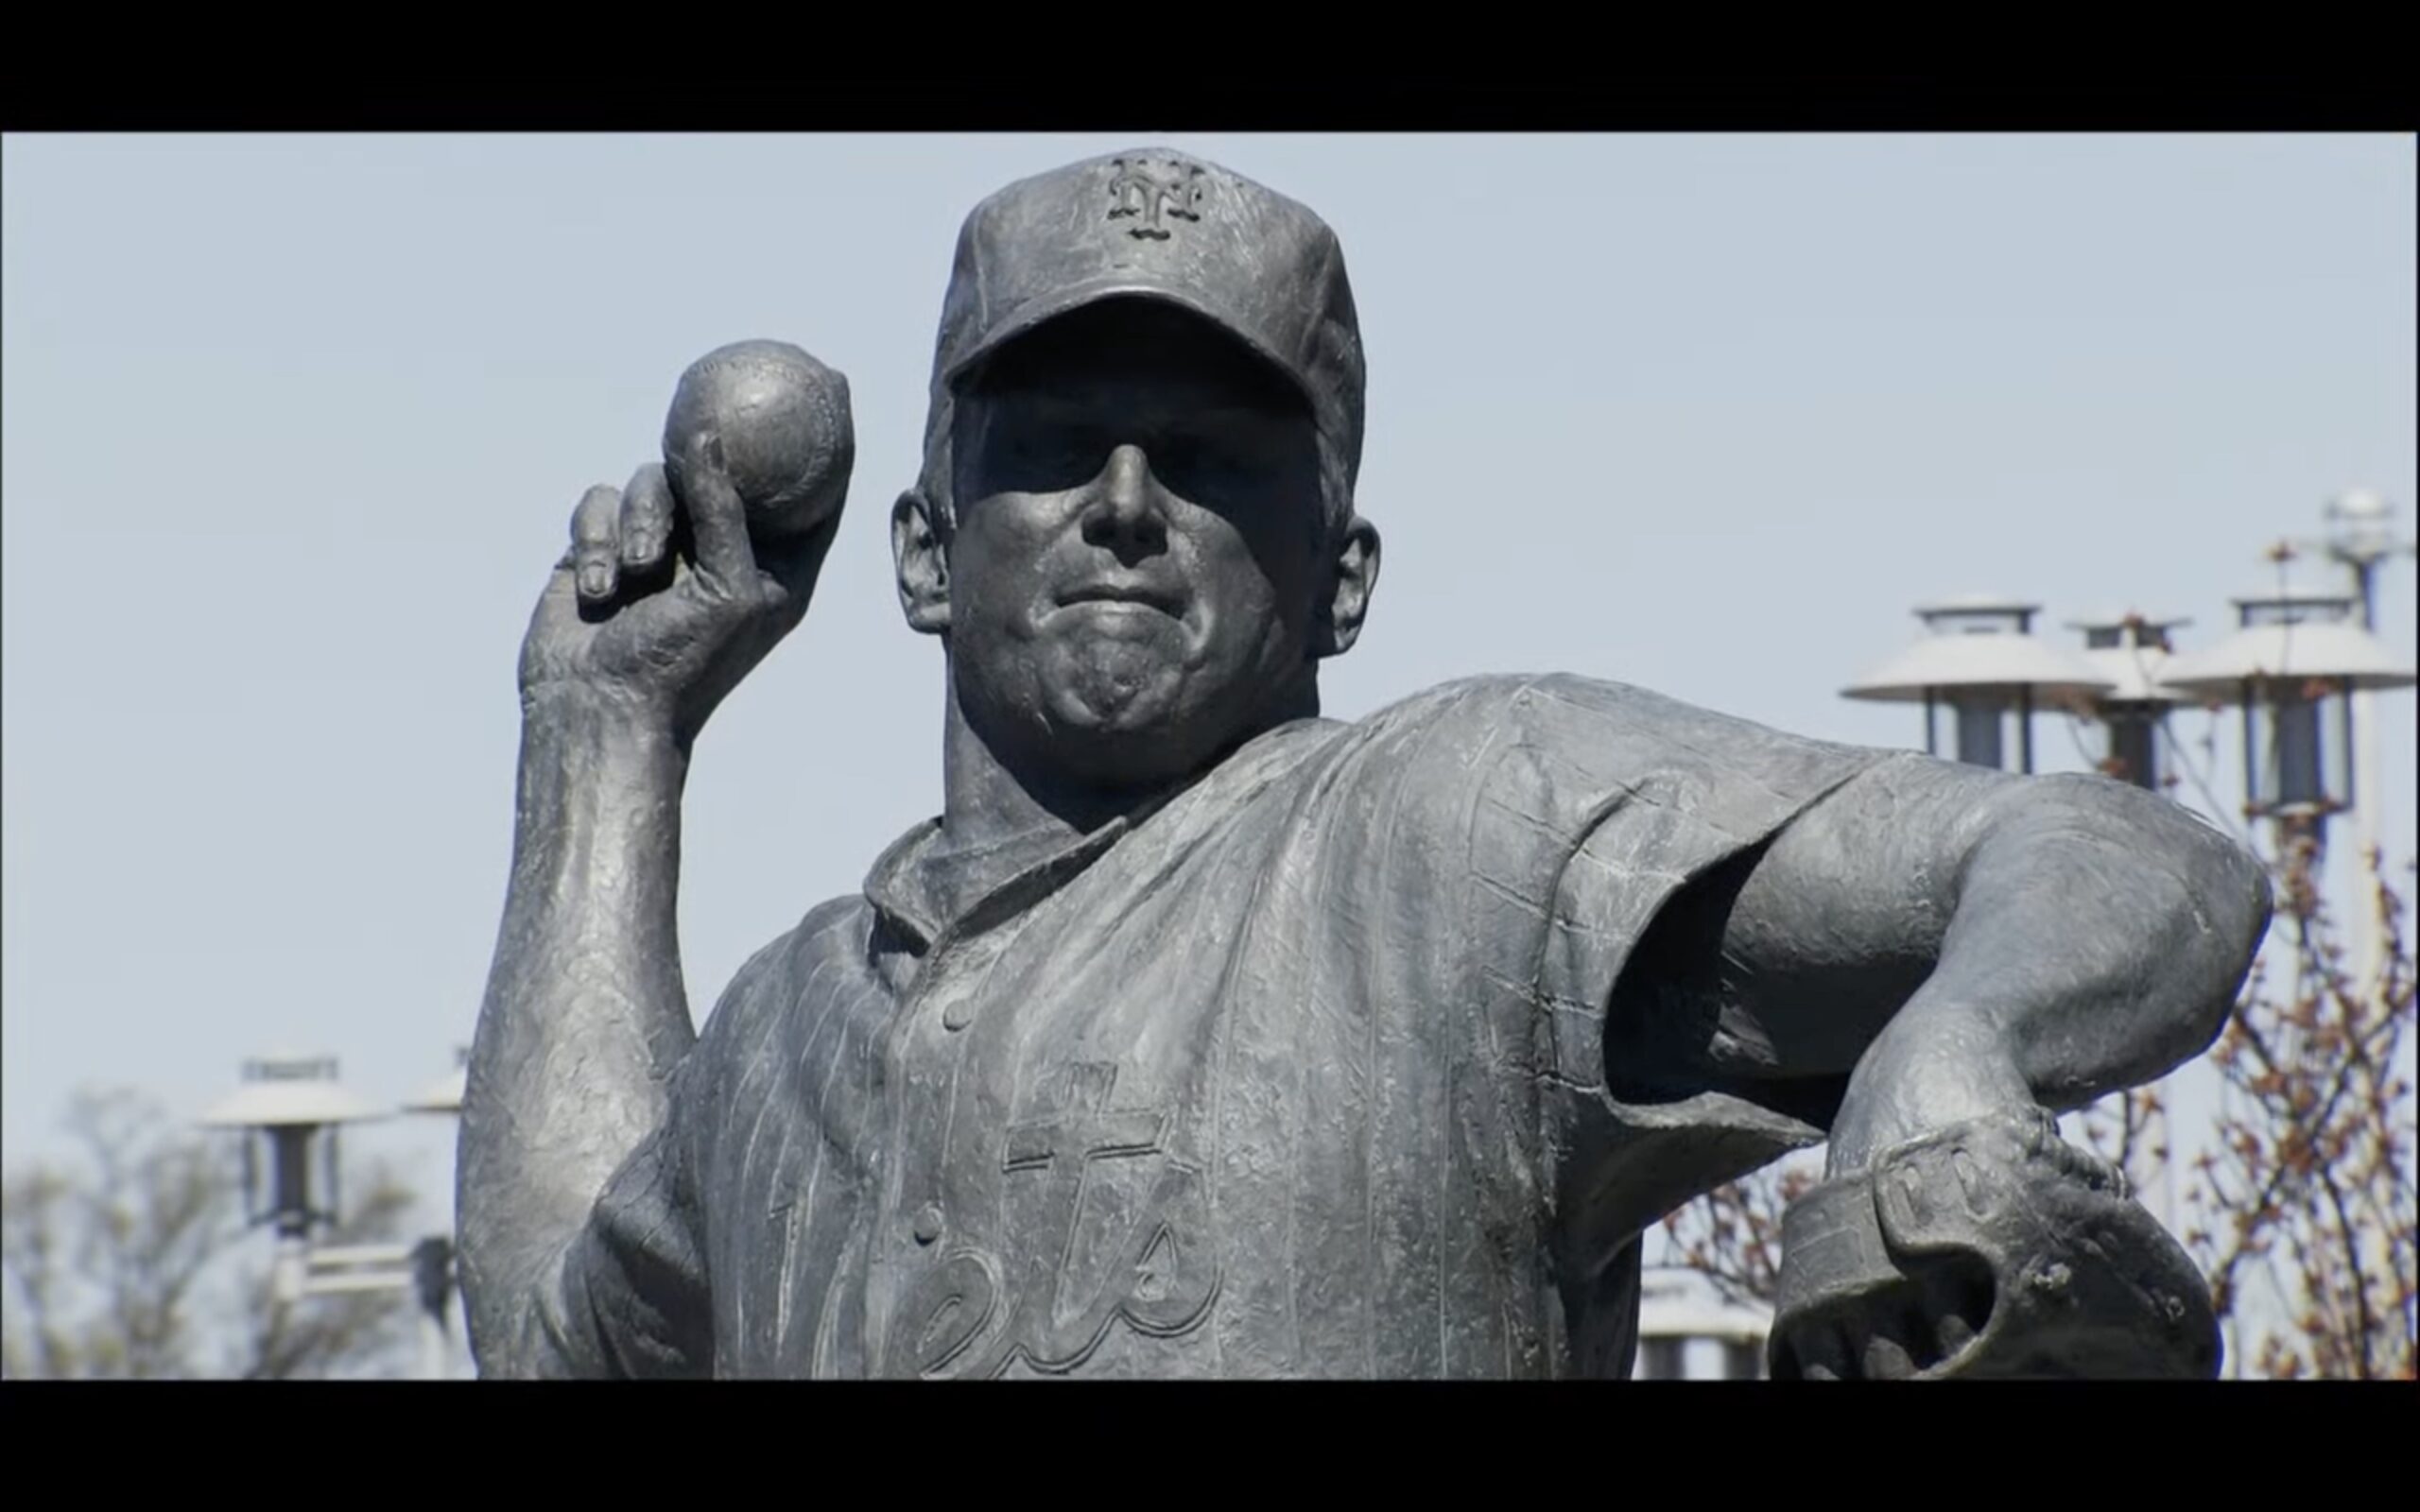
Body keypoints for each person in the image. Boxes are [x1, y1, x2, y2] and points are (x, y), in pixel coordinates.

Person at [457, 148, 2271, 1380]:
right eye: (1057, 443)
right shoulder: (784, 1035)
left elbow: (2121, 861)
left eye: (1218, 456)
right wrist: (604, 742)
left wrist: (1956, 1050)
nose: (1125, 508)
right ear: (924, 551)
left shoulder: (1460, 828)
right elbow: (556, 1339)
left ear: (1345, 576)